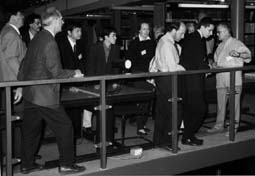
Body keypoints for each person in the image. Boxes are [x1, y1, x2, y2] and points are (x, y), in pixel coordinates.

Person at [17, 7, 85, 175]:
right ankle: (66, 165)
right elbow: (56, 73)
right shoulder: (50, 42)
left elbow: (24, 63)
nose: (63, 22)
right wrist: (74, 72)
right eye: (61, 20)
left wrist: (20, 85)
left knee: (31, 131)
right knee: (66, 127)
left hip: (31, 93)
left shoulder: (38, 37)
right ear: (54, 21)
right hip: (45, 95)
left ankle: (27, 164)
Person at [207, 23, 251, 135]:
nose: (217, 34)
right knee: (221, 105)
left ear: (226, 32)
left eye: (219, 32)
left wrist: (239, 54)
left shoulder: (236, 43)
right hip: (221, 79)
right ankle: (219, 125)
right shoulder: (220, 46)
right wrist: (214, 65)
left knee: (234, 105)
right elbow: (217, 61)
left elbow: (248, 55)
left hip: (233, 80)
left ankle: (233, 128)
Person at [180, 17, 214, 146]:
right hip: (192, 80)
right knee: (201, 109)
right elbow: (197, 61)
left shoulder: (193, 37)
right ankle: (188, 135)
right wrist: (208, 67)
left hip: (190, 79)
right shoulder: (196, 39)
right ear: (203, 27)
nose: (210, 34)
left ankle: (188, 136)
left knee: (191, 109)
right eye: (210, 30)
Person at [151, 22, 186, 149]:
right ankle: (168, 141)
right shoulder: (167, 44)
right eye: (181, 33)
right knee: (175, 111)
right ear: (173, 30)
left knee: (163, 111)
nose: (182, 36)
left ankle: (159, 140)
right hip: (168, 80)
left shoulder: (165, 41)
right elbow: (172, 67)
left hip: (162, 79)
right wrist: (185, 68)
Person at [86, 26, 120, 145]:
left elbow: (116, 67)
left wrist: (115, 81)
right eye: (113, 36)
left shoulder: (115, 48)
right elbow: (90, 67)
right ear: (106, 37)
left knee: (110, 110)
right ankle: (100, 140)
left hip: (109, 84)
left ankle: (109, 139)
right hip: (97, 84)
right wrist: (94, 82)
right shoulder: (95, 48)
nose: (116, 38)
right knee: (100, 111)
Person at [126, 22, 156, 135]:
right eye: (144, 29)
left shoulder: (153, 42)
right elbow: (130, 60)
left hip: (150, 73)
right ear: (139, 30)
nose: (146, 31)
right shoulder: (134, 43)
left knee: (147, 101)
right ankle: (139, 126)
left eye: (147, 29)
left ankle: (142, 124)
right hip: (138, 75)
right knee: (142, 100)